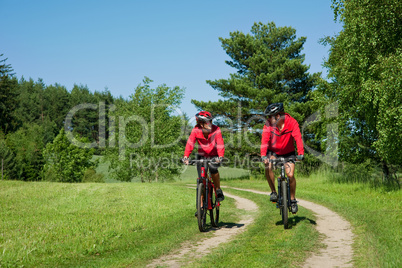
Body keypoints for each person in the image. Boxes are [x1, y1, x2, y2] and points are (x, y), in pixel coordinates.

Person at [260, 103, 304, 214]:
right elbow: (265, 140)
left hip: (289, 153)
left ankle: (293, 200)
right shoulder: (268, 125)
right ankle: (274, 192)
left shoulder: (292, 122)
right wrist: (263, 155)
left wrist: (300, 153)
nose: (268, 119)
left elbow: (298, 138)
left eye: (270, 116)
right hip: (274, 152)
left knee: (290, 175)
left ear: (278, 116)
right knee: (268, 165)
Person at [183, 111, 225, 202]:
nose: (210, 124)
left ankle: (218, 189)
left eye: (210, 121)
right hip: (201, 156)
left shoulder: (216, 129)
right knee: (201, 181)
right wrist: (186, 156)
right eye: (207, 122)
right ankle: (201, 208)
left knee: (213, 168)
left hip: (214, 155)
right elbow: (190, 143)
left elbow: (220, 143)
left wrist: (221, 156)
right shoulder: (195, 130)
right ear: (201, 124)